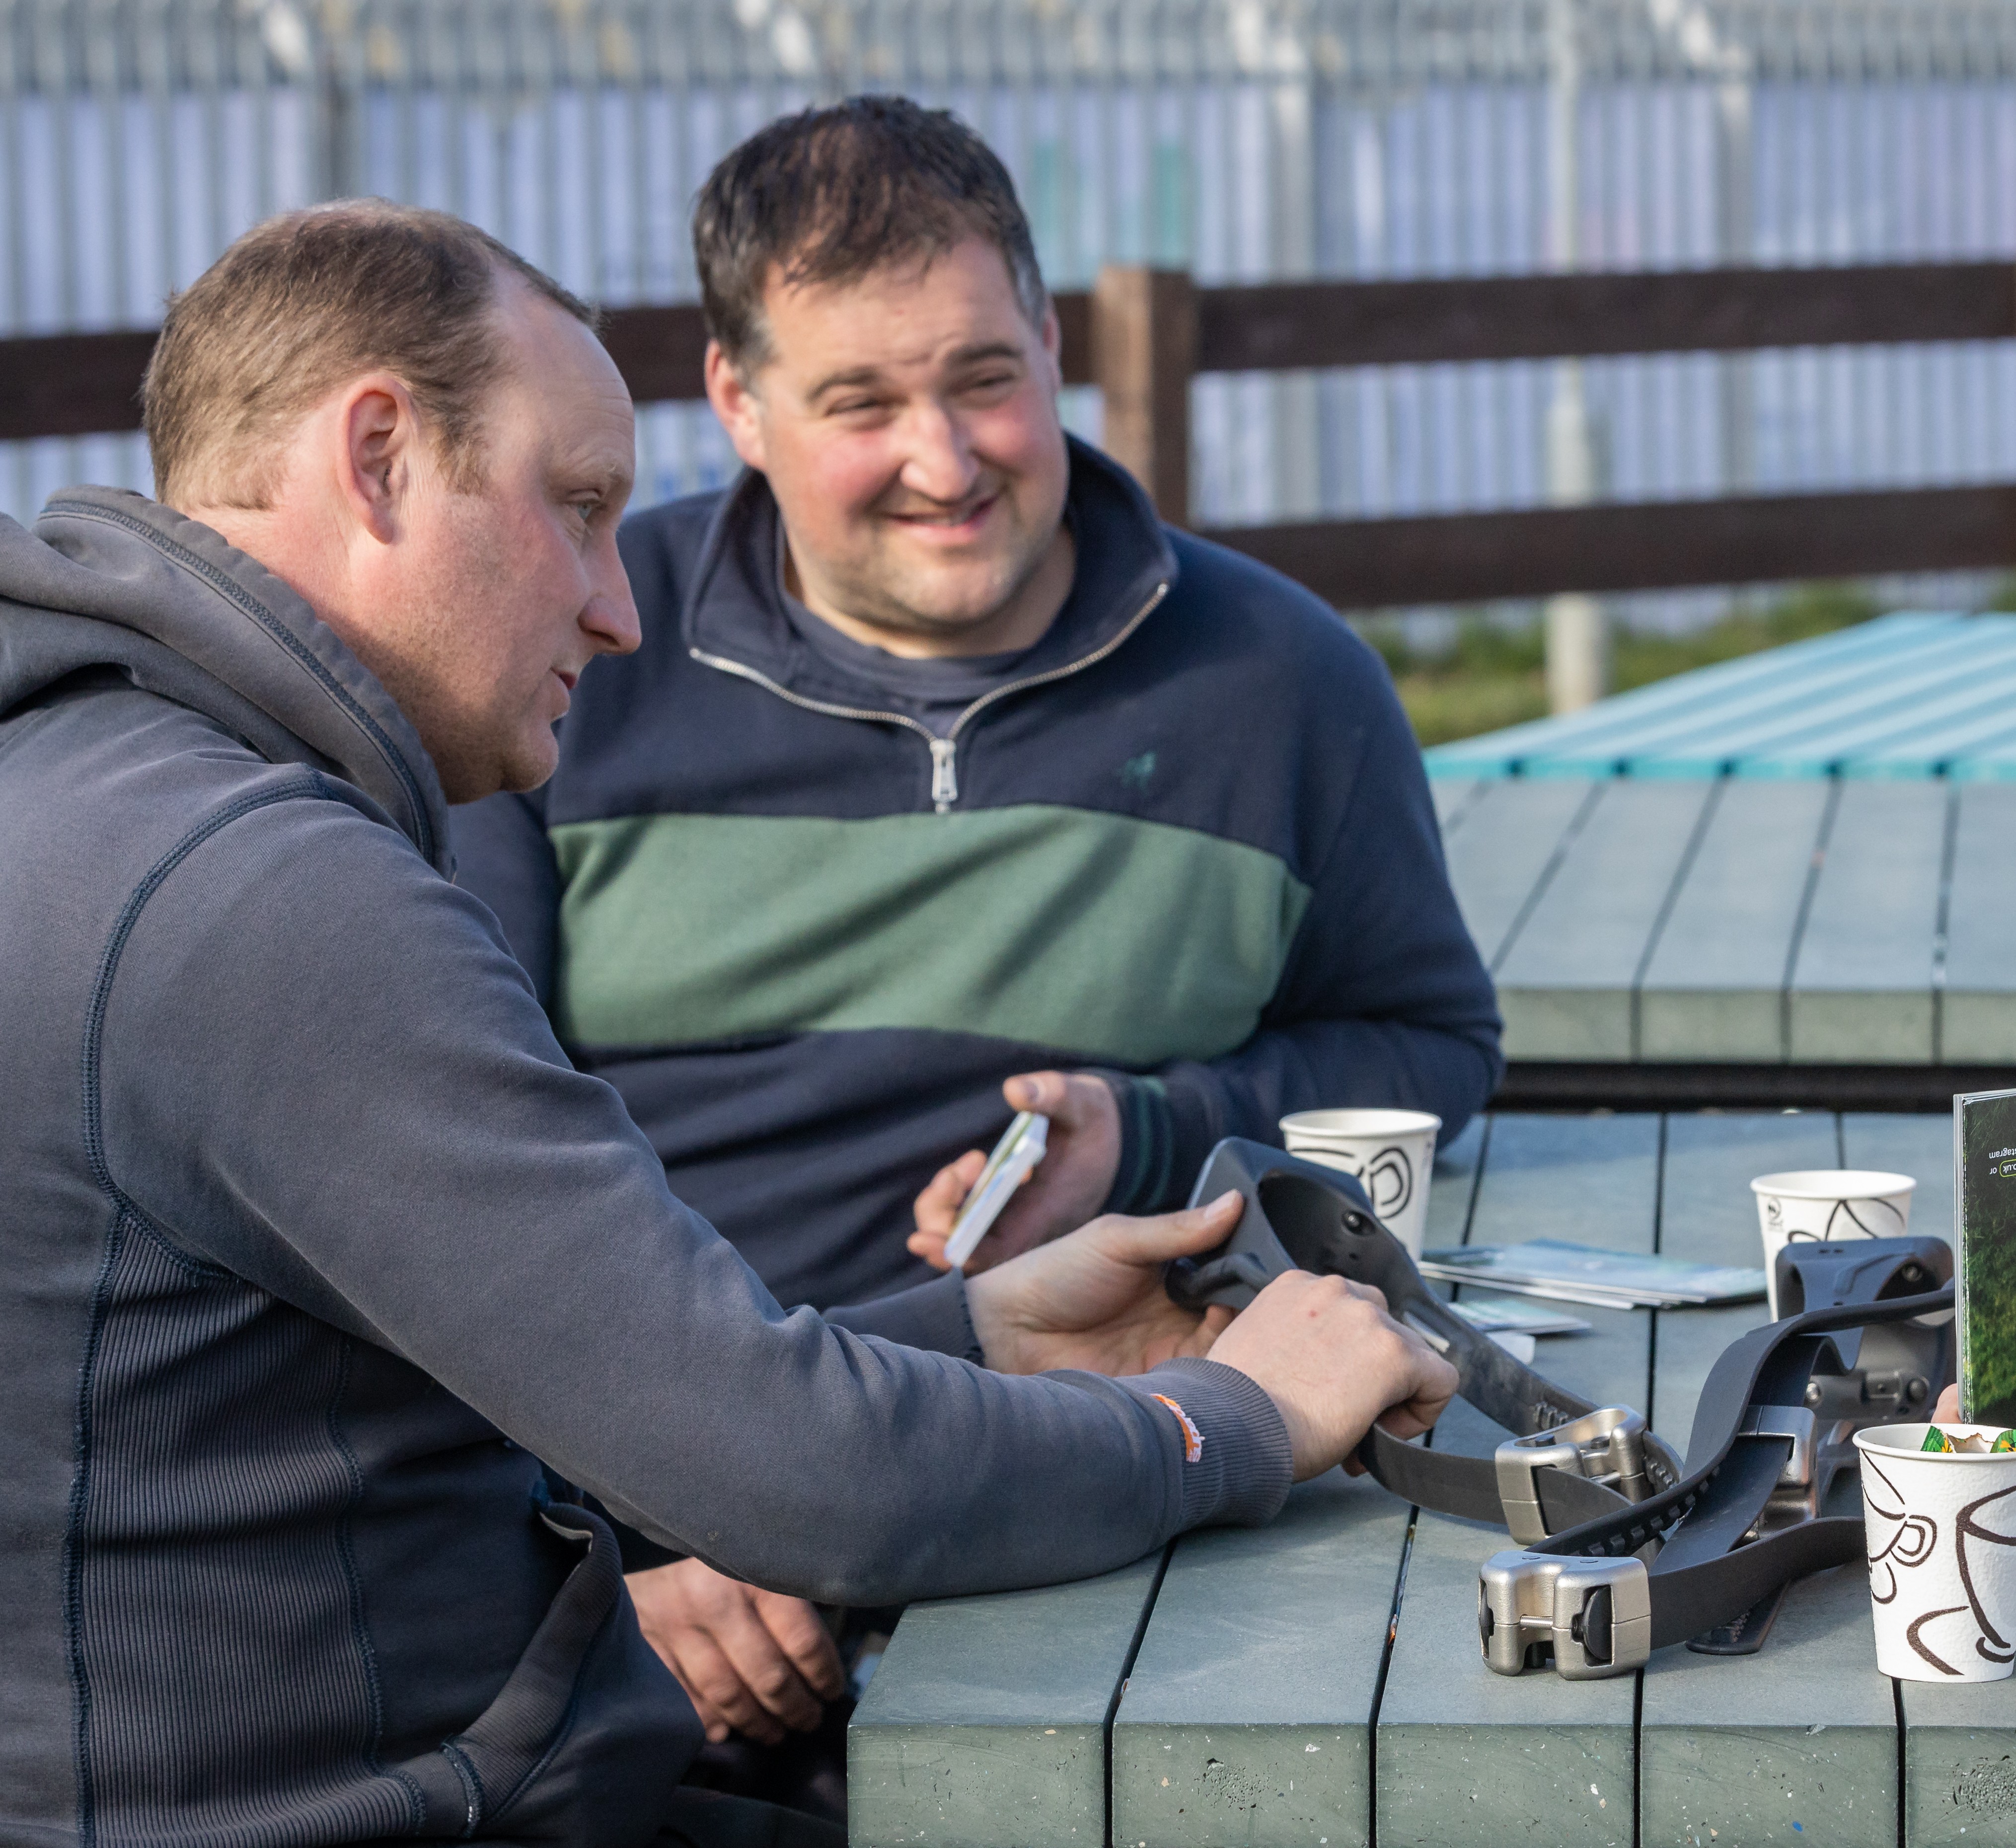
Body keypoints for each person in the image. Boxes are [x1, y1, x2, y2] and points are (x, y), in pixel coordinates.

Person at [0, 199, 1459, 1848]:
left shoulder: (83, 786)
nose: (618, 611)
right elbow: (795, 1471)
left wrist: (984, 1333)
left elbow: (542, 1380)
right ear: (381, 457)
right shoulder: (264, 892)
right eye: (576, 509)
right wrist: (1233, 1420)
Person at [451, 97, 1502, 1769]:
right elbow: (438, 1186)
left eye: (983, 381)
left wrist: (1151, 1127)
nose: (943, 462)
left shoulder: (1284, 680)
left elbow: (1431, 1051)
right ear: (734, 401)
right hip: (640, 1512)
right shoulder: (569, 660)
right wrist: (621, 1528)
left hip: (1095, 1456)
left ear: (1052, 342)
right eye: (860, 402)